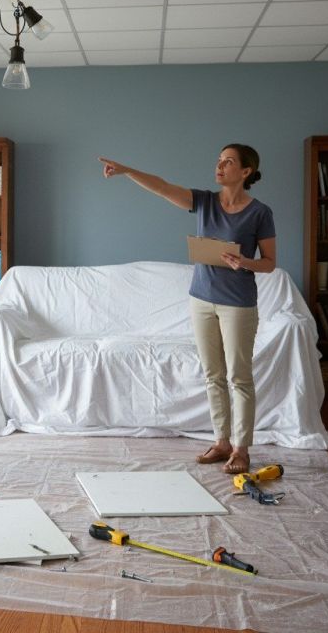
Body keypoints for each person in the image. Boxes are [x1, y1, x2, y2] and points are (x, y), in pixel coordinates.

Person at [98, 145, 276, 474]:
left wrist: (243, 262)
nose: (220, 165)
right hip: (201, 299)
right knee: (213, 375)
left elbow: (269, 263)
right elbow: (163, 186)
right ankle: (221, 442)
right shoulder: (205, 202)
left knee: (239, 377)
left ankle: (242, 448)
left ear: (246, 171)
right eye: (219, 160)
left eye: (229, 162)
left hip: (237, 303)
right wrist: (127, 170)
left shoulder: (259, 212)